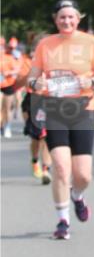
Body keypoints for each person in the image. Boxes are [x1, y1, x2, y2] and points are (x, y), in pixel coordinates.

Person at [27, 0, 94, 239]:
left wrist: (91, 82)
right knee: (61, 168)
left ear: (78, 18)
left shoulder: (89, 42)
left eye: (71, 17)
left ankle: (78, 196)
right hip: (54, 109)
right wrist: (37, 83)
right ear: (55, 20)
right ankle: (63, 220)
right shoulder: (45, 44)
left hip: (83, 109)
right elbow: (31, 78)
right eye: (62, 17)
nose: (67, 21)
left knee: (83, 175)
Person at [16, 38, 52, 183]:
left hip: (49, 102)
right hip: (31, 102)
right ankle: (35, 161)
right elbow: (18, 83)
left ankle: (45, 170)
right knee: (36, 138)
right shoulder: (27, 62)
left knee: (46, 137)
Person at [1, 36, 18, 138]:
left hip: (8, 84)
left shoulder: (9, 57)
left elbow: (16, 69)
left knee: (7, 108)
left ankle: (7, 126)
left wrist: (9, 72)